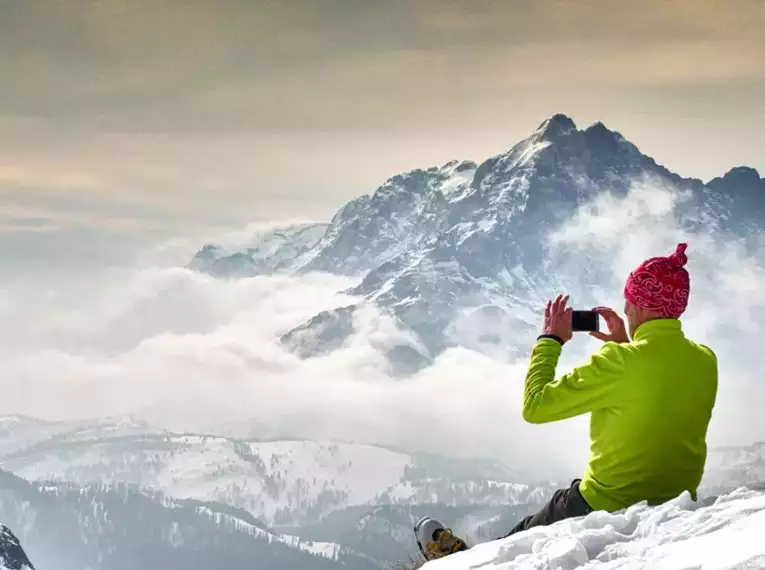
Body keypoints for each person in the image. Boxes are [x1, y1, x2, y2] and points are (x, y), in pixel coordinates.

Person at [415, 243, 718, 560]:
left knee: (518, 541)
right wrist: (624, 346)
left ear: (641, 306)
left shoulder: (620, 362)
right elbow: (656, 387)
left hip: (604, 503)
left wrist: (550, 340)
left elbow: (535, 406)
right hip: (676, 500)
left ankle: (462, 562)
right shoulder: (705, 359)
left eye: (629, 302)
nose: (626, 310)